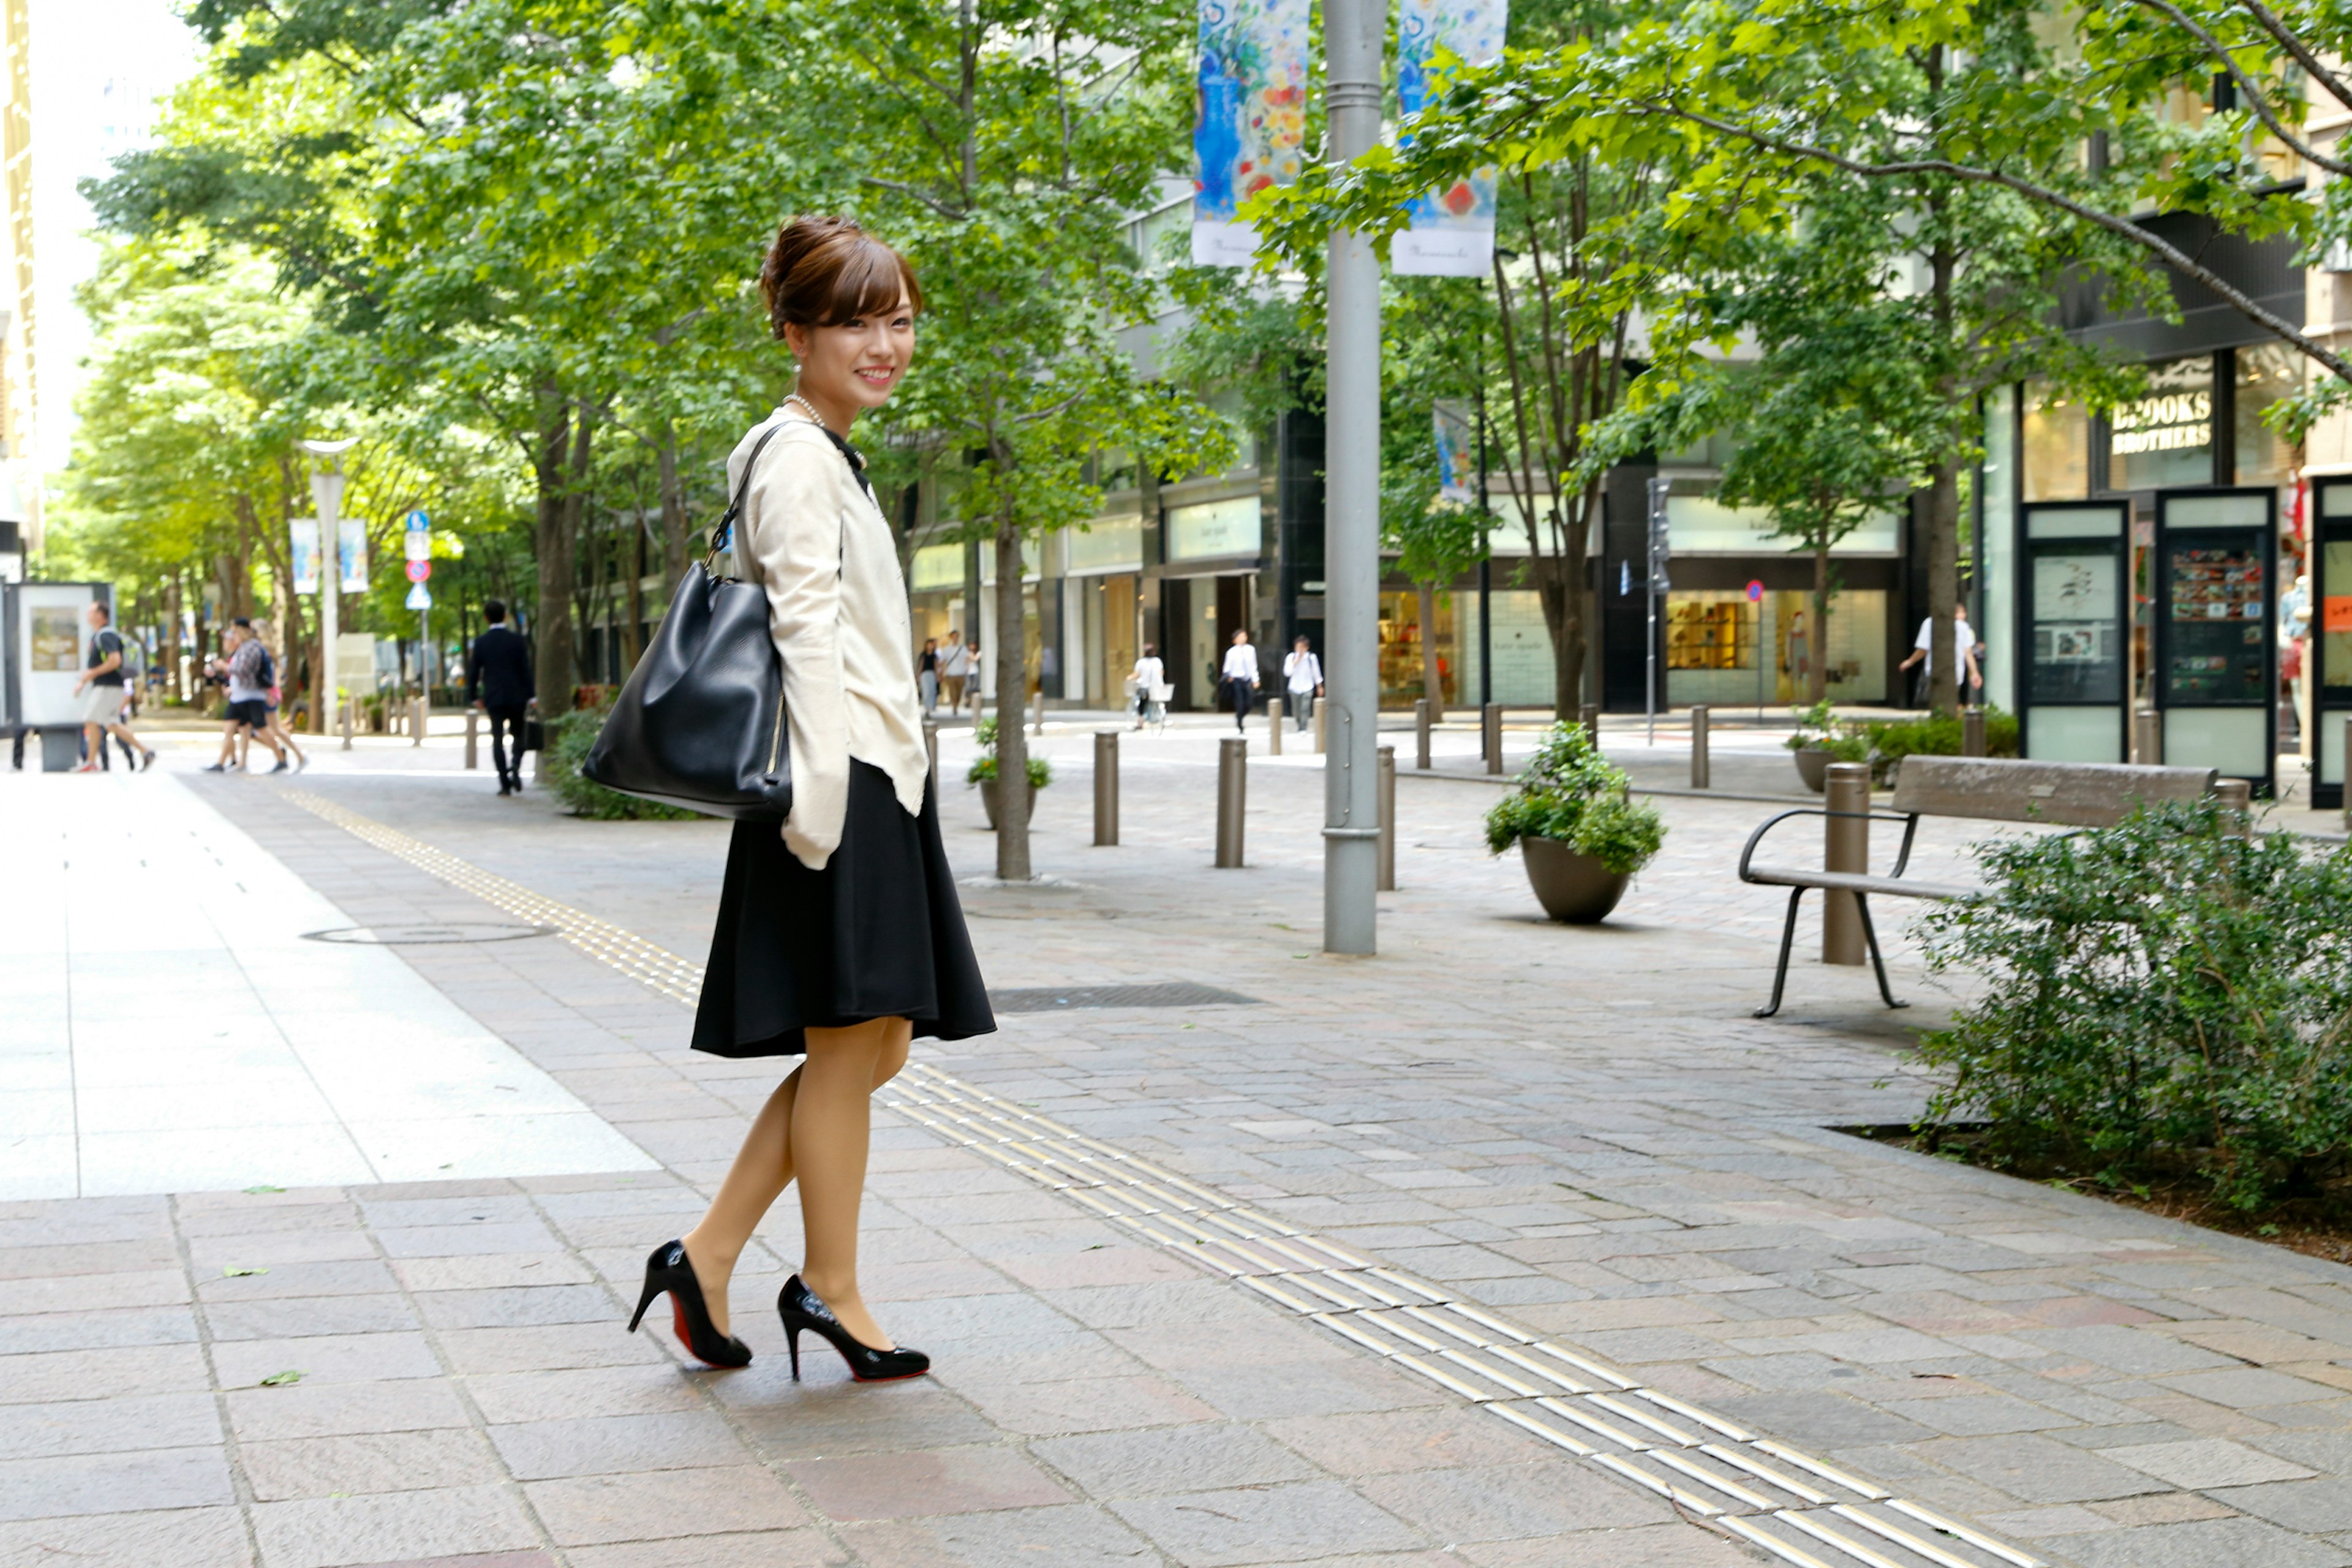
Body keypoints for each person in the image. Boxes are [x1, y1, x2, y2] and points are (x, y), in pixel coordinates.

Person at [628, 215, 993, 1379]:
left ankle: (710, 1252)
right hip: (837, 788)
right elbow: (804, 627)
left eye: (897, 321)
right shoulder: (793, 454)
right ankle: (827, 1289)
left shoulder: (825, 448)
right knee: (852, 1047)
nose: (883, 344)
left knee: (875, 1043)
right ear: (794, 331)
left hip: (868, 777)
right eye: (853, 323)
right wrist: (825, 804)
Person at [69, 601, 156, 773]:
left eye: (91, 611)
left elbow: (115, 660)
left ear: (100, 616)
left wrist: (92, 674)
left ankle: (91, 762)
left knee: (91, 720)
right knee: (111, 723)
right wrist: (84, 681)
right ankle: (146, 752)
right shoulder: (99, 636)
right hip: (110, 687)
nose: (87, 615)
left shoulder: (106, 635)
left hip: (108, 687)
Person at [466, 601, 537, 796]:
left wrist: (473, 696)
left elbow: (473, 672)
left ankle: (505, 784)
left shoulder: (481, 642)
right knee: (519, 734)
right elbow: (525, 670)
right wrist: (531, 696)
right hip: (517, 696)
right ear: (506, 616)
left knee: (497, 739)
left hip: (494, 697)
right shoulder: (517, 640)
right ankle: (515, 765)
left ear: (486, 618)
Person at [203, 621, 287, 774]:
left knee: (262, 729)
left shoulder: (252, 647)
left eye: (235, 632)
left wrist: (223, 667)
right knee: (229, 728)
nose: (233, 636)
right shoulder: (244, 647)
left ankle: (281, 757)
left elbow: (242, 671)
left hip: (251, 696)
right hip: (239, 696)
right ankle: (222, 763)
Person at [1896, 603, 1983, 705]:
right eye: (1962, 612)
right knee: (1949, 704)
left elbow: (1923, 649)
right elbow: (1968, 653)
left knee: (1933, 704)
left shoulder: (1930, 623)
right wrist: (1974, 673)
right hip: (1956, 674)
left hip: (1934, 671)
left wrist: (1910, 662)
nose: (1964, 615)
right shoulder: (1964, 627)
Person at [1220, 627, 1259, 731]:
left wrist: (1256, 680)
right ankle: (1240, 723)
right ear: (1235, 639)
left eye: (1244, 636)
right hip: (1236, 680)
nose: (1243, 638)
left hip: (1247, 679)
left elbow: (1253, 666)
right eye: (1241, 637)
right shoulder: (1231, 652)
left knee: (1249, 703)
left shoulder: (1251, 650)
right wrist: (1229, 677)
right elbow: (1227, 667)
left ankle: (1240, 716)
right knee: (1240, 702)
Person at [1282, 635, 1322, 732]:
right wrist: (1295, 663)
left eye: (1302, 647)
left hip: (1308, 686)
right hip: (1294, 687)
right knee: (1296, 711)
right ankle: (1299, 723)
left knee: (1305, 708)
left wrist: (1319, 686)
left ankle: (1303, 727)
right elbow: (1287, 673)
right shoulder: (1291, 657)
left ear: (1306, 648)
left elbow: (1316, 672)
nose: (1300, 649)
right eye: (1298, 647)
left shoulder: (1311, 658)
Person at [1130, 643, 1166, 729]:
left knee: (1141, 703)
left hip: (1146, 689)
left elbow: (1137, 674)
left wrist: (1129, 677)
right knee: (1158, 700)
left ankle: (1141, 722)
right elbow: (1161, 673)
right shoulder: (1158, 661)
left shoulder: (1141, 662)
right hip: (1158, 688)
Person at [940, 631, 968, 708]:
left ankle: (957, 702)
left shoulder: (963, 648)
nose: (955, 639)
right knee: (952, 691)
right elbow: (943, 661)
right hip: (951, 674)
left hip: (961, 673)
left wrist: (967, 669)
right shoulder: (947, 649)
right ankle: (954, 705)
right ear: (951, 638)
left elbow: (967, 659)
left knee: (959, 691)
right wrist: (943, 671)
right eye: (953, 637)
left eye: (956, 637)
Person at [916, 637, 940, 714]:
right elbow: (920, 666)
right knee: (926, 691)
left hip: (932, 674)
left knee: (932, 690)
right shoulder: (923, 655)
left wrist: (938, 676)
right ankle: (927, 706)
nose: (930, 646)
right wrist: (918, 676)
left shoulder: (934, 655)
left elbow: (936, 666)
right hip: (924, 674)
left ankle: (931, 706)